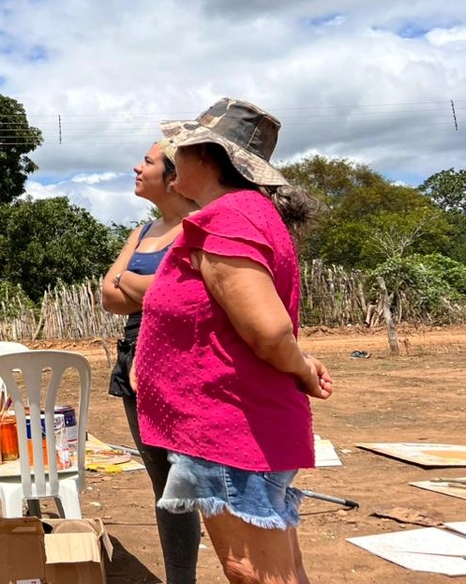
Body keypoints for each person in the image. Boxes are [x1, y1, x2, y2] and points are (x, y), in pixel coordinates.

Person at [135, 99, 331, 584]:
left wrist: (303, 369)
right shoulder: (237, 214)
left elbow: (266, 329)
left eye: (182, 148)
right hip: (230, 429)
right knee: (276, 570)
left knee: (253, 571)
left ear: (209, 157)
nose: (173, 157)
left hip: (230, 429)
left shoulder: (230, 216)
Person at [101, 142, 200, 584]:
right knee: (165, 485)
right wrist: (151, 284)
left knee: (196, 479)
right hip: (134, 361)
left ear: (175, 177)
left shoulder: (199, 228)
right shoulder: (141, 232)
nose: (136, 167)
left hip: (184, 361)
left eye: (148, 162)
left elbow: (183, 296)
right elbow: (109, 296)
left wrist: (131, 280)